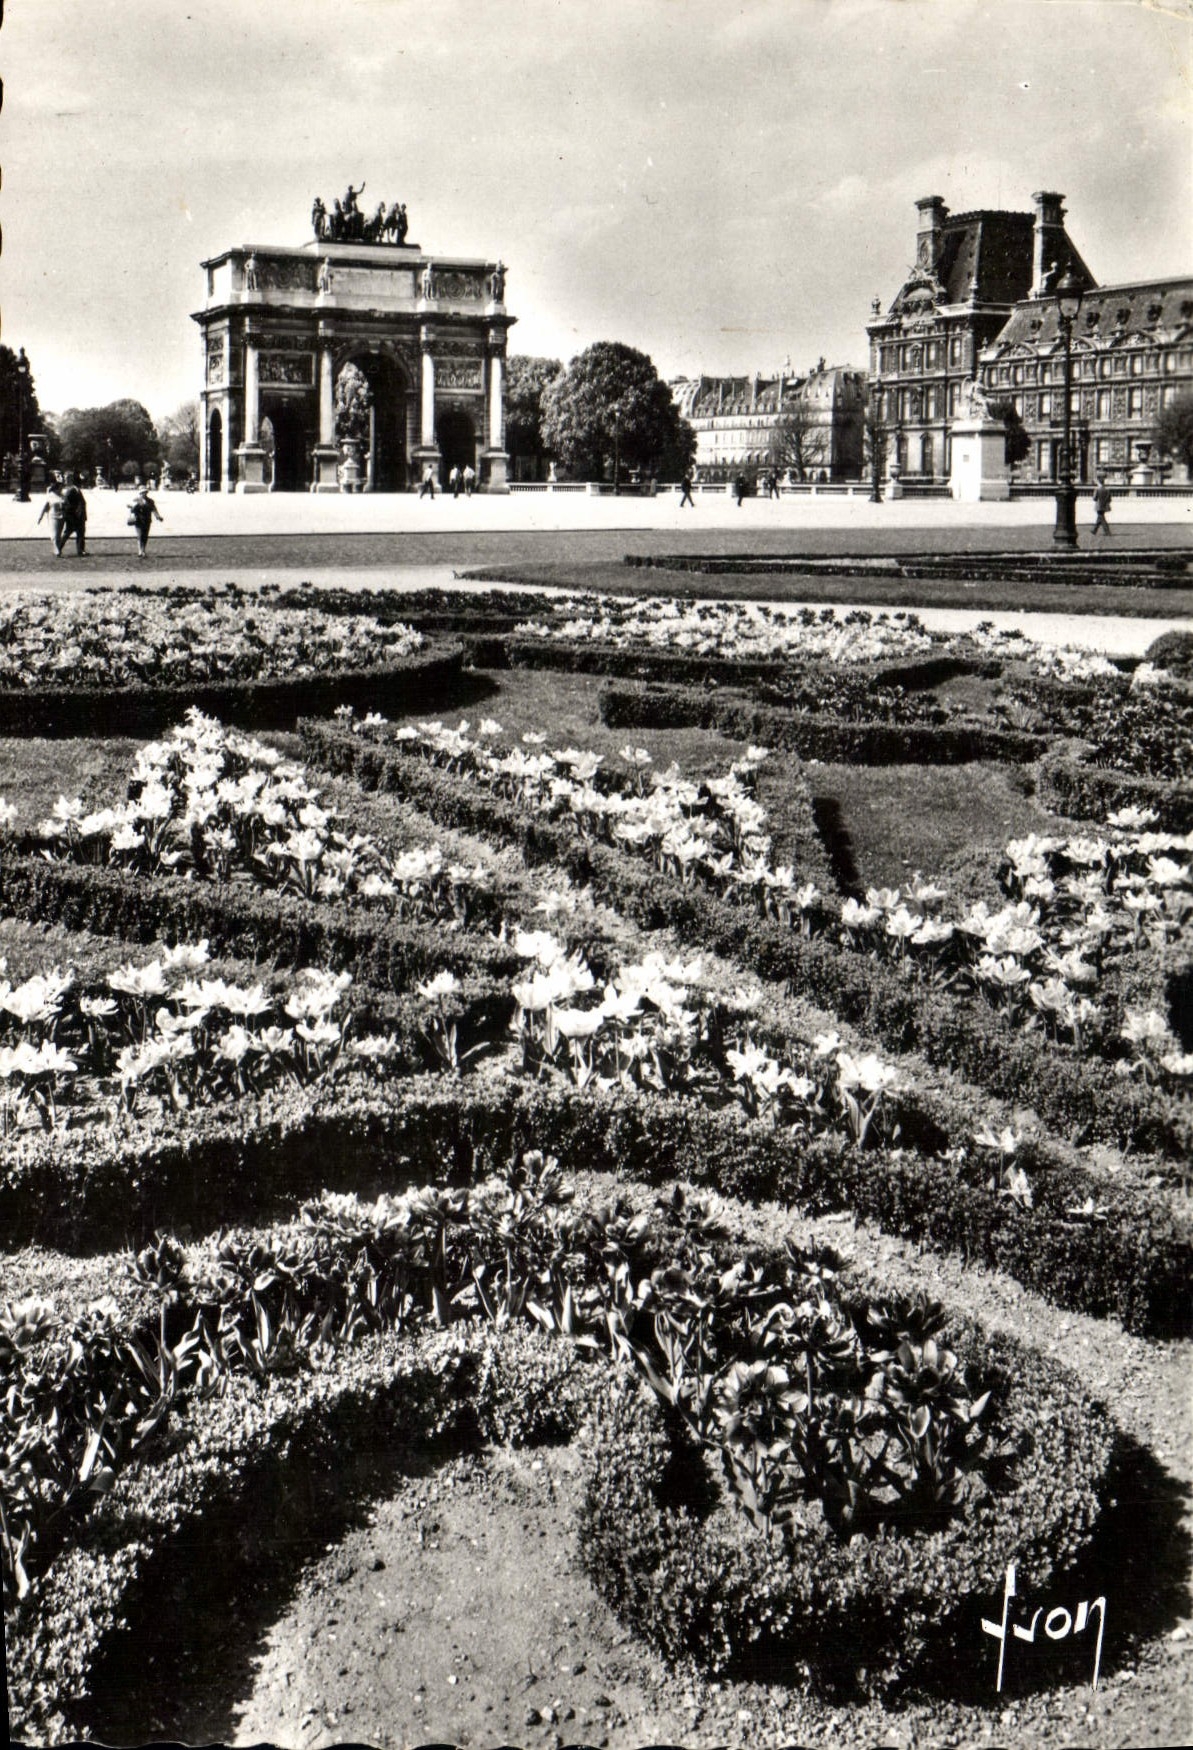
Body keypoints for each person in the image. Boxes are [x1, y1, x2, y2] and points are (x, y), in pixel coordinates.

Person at [128, 484, 164, 559]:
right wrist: (133, 507)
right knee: (140, 535)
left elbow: (154, 509)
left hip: (147, 520)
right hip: (138, 520)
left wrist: (158, 517)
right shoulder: (136, 500)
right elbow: (132, 509)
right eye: (142, 492)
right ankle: (140, 551)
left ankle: (143, 550)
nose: (144, 494)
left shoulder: (150, 501)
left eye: (145, 492)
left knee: (145, 536)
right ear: (140, 493)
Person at [36, 479, 67, 555]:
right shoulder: (50, 496)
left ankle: (56, 548)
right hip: (53, 517)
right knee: (55, 534)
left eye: (62, 488)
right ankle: (57, 550)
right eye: (60, 488)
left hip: (62, 517)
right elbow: (45, 507)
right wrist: (40, 517)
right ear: (56, 488)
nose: (61, 489)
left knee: (59, 534)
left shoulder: (63, 496)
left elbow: (67, 505)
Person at [61, 474, 88, 554]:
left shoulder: (76, 490)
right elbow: (68, 504)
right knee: (70, 533)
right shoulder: (71, 490)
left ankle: (80, 550)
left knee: (78, 534)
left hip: (76, 516)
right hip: (74, 516)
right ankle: (59, 548)